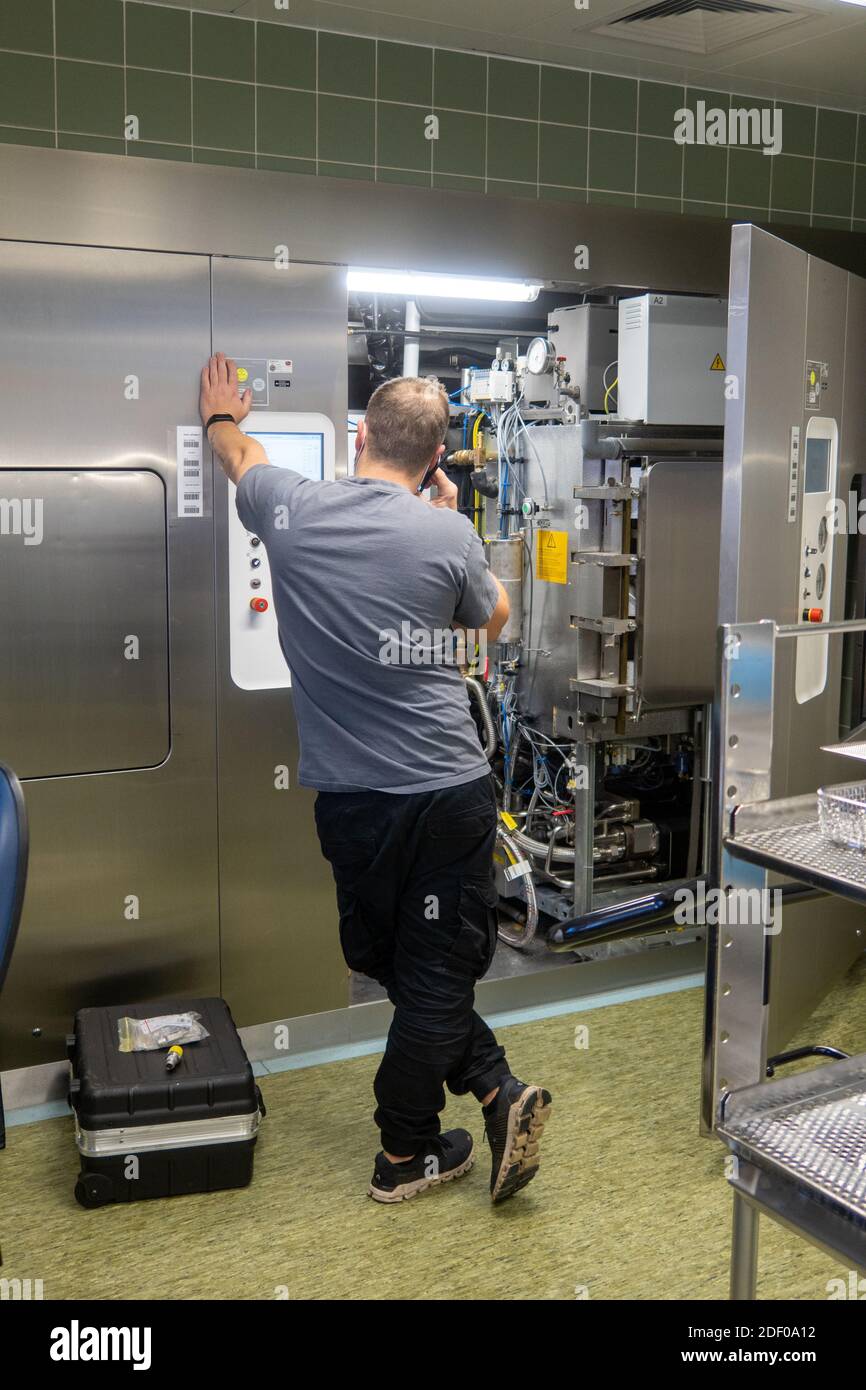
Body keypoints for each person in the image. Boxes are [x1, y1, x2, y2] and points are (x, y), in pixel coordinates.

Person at [200, 352, 552, 1204]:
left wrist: (220, 415)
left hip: (351, 801)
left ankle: (420, 1141)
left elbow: (241, 459)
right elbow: (493, 622)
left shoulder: (292, 506)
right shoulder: (447, 533)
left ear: (359, 437)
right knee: (416, 968)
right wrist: (449, 521)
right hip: (443, 794)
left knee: (406, 964)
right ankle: (457, 1119)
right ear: (434, 459)